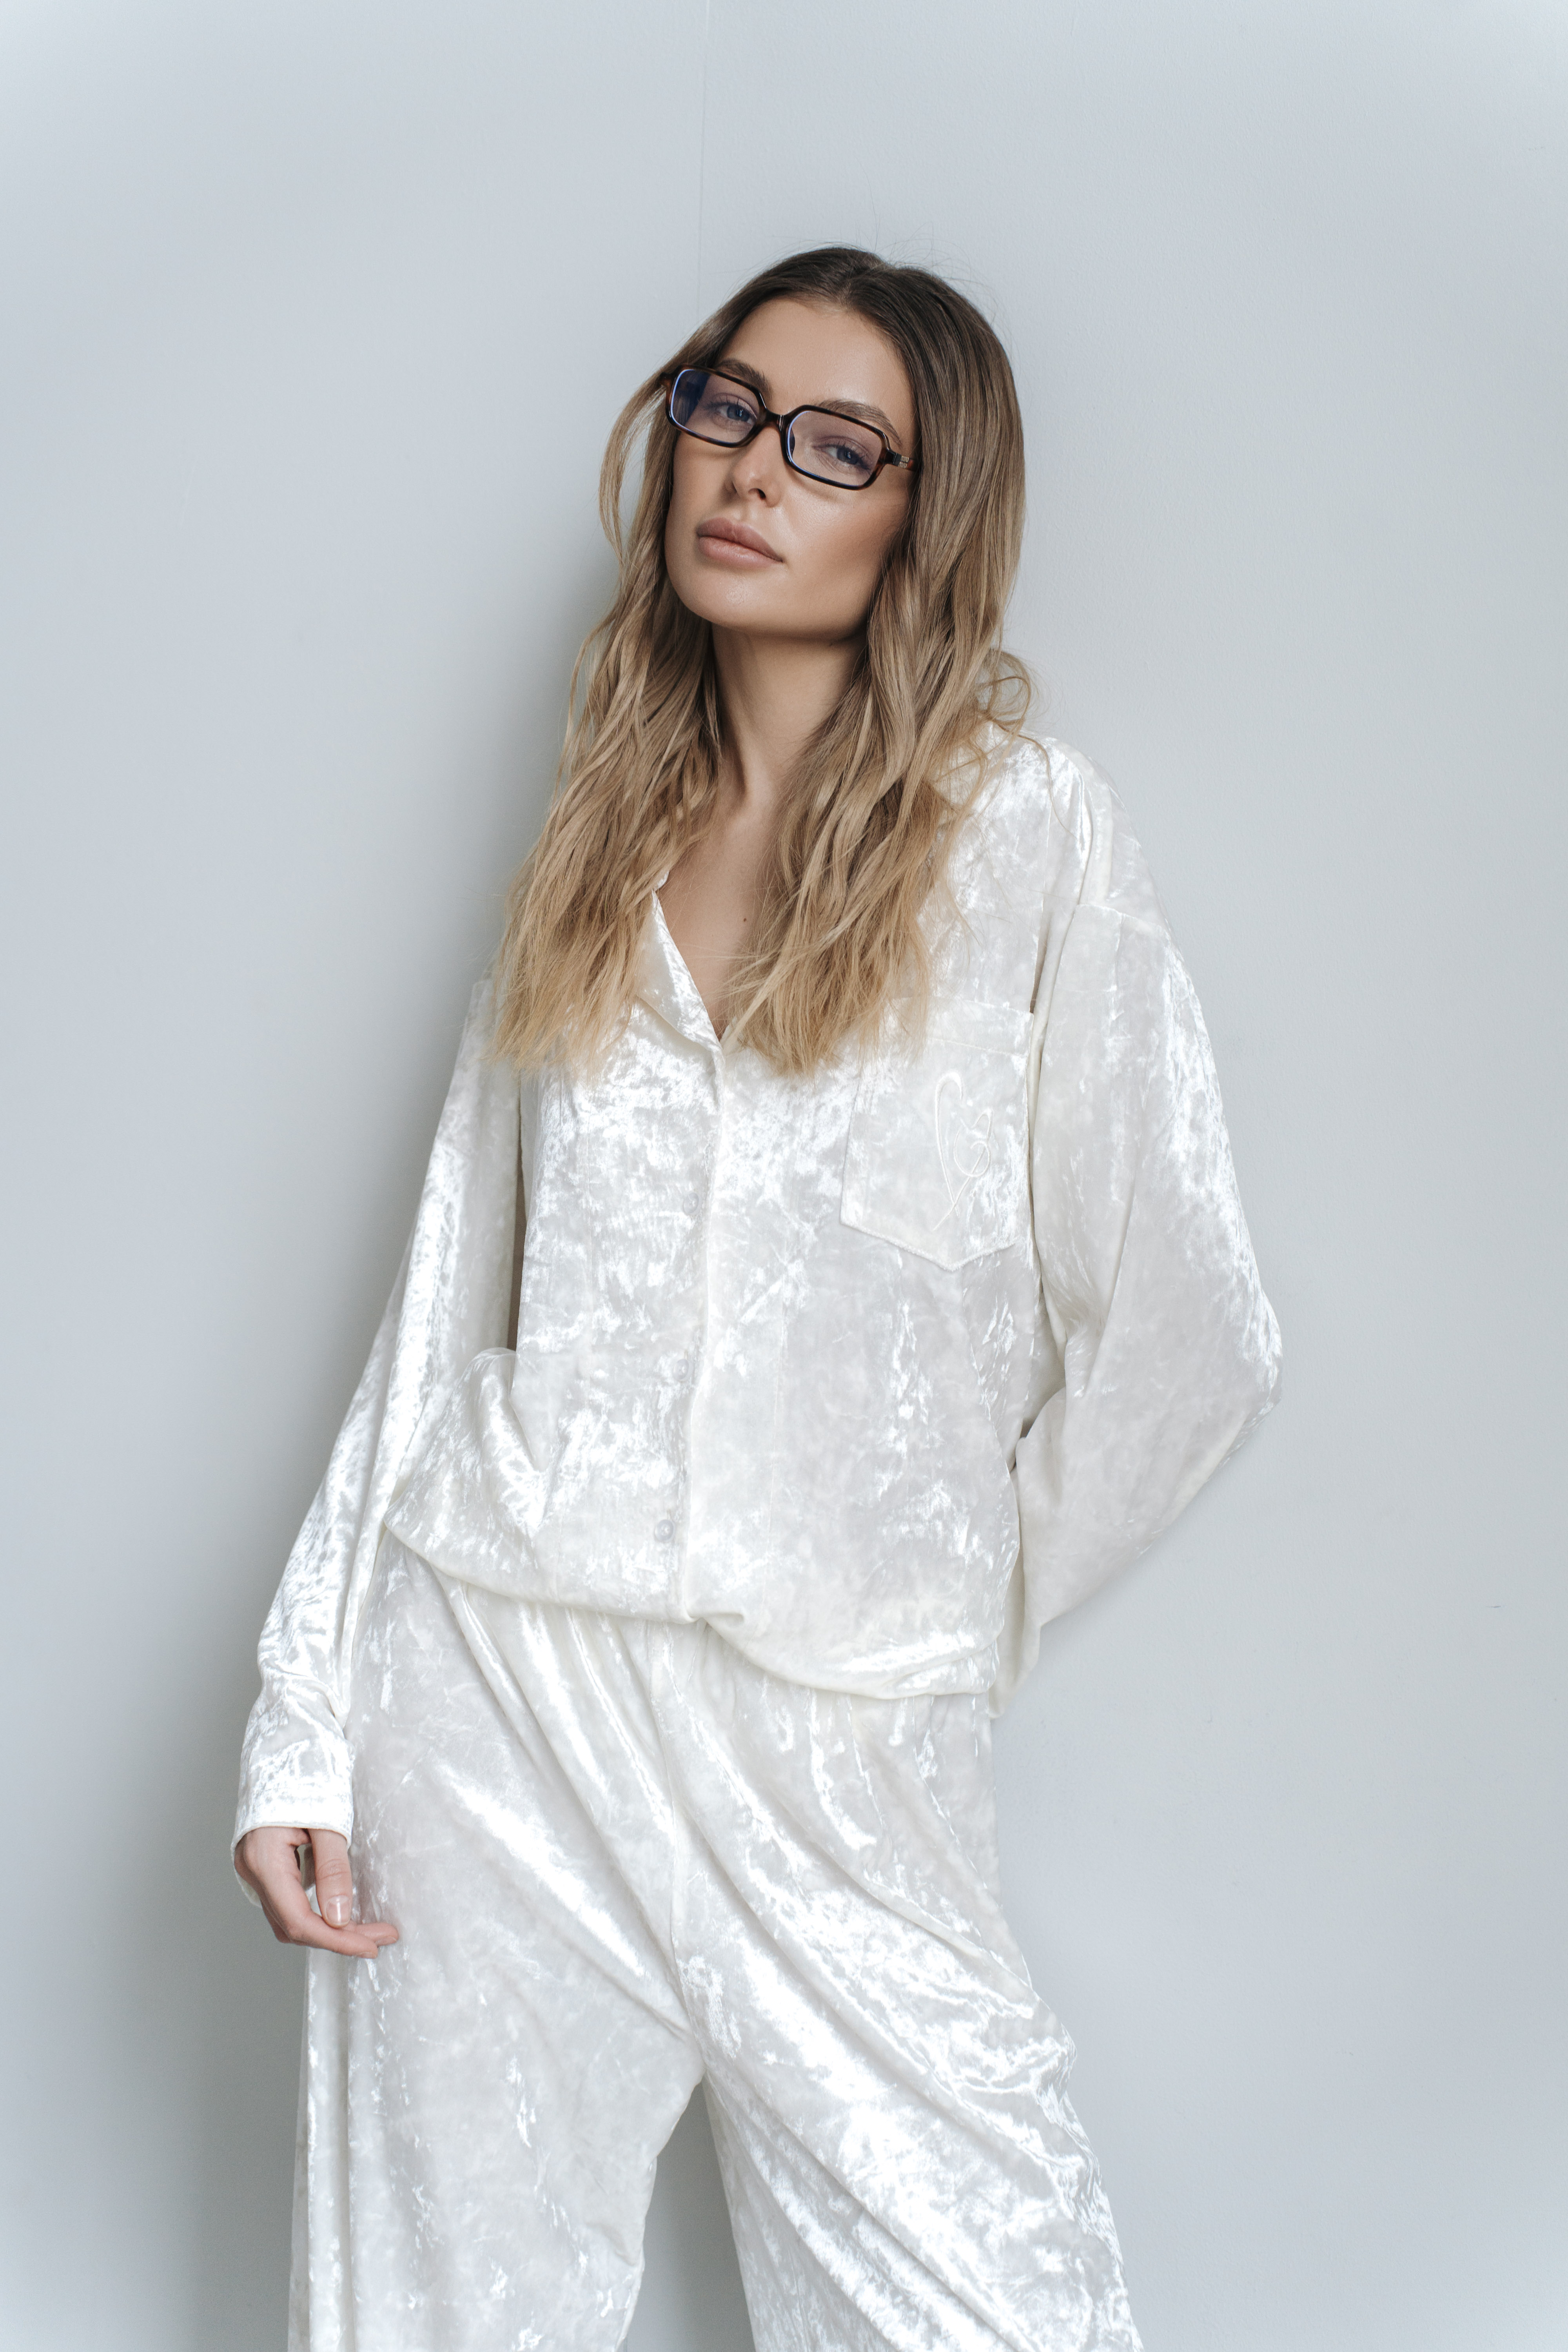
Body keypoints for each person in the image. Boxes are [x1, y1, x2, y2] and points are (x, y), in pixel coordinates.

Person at [234, 245, 1280, 2352]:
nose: (754, 470)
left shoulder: (1027, 843)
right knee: (436, 2317)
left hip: (835, 1750)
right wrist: (302, 1728)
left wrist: (938, 1612)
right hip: (501, 1695)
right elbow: (449, 1300)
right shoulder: (598, 838)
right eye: (727, 406)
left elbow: (1194, 1332)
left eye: (837, 445)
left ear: (927, 515)